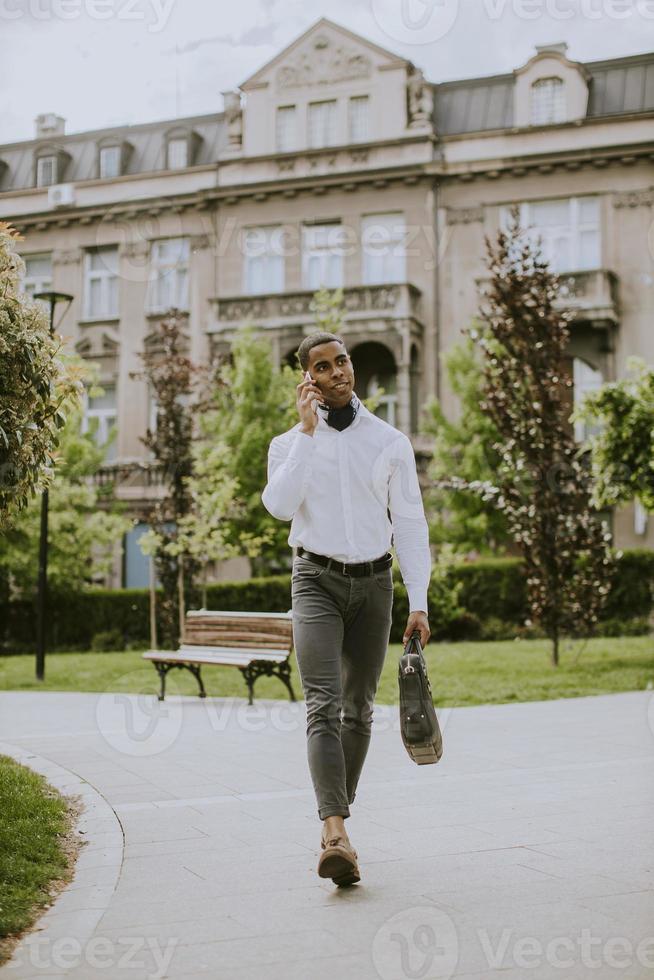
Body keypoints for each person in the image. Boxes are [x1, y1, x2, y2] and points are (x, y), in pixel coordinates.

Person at [261, 331, 431, 887]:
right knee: (323, 704)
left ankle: (337, 822)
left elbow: (409, 523)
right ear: (307, 378)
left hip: (375, 583)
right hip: (315, 580)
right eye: (324, 366)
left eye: (343, 361)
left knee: (359, 711)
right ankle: (334, 834)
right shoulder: (288, 444)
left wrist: (419, 600)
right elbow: (279, 507)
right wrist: (309, 434)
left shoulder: (389, 441)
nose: (339, 372)